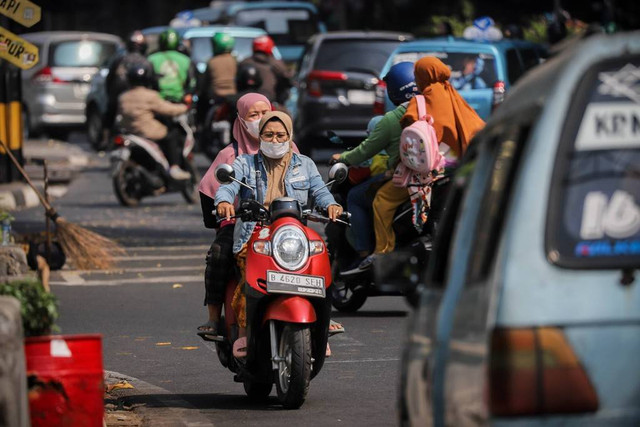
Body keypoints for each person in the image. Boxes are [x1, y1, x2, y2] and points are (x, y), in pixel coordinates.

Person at [214, 111, 343, 357]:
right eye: (269, 135)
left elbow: (320, 191)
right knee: (248, 278)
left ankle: (322, 323)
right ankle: (243, 333)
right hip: (256, 232)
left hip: (293, 233)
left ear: (289, 136)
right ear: (259, 136)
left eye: (280, 135)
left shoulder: (305, 164)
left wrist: (331, 205)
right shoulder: (245, 163)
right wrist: (224, 201)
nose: (275, 140)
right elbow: (228, 186)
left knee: (319, 266)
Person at [361, 56, 485, 267]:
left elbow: (410, 143)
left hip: (432, 171)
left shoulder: (421, 102)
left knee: (382, 200)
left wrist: (395, 167)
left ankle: (382, 252)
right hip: (460, 168)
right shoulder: (456, 97)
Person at [330, 61, 419, 273]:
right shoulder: (434, 107)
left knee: (358, 198)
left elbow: (364, 151)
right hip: (437, 173)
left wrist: (342, 157)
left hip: (408, 177)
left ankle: (370, 253)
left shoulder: (392, 120)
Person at [117, 65, 190, 180]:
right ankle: (174, 167)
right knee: (173, 134)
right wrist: (184, 107)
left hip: (130, 131)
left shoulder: (123, 97)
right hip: (148, 132)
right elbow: (168, 109)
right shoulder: (150, 96)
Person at [105, 31, 156, 139]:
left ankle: (106, 137)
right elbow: (154, 84)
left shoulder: (119, 60)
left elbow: (108, 81)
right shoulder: (147, 62)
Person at [239, 35, 293, 106]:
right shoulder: (276, 63)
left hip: (248, 102)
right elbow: (288, 81)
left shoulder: (245, 62)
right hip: (271, 101)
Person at [148, 28, 196, 103]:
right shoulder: (186, 59)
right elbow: (192, 82)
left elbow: (148, 80)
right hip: (179, 100)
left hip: (158, 101)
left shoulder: (151, 59)